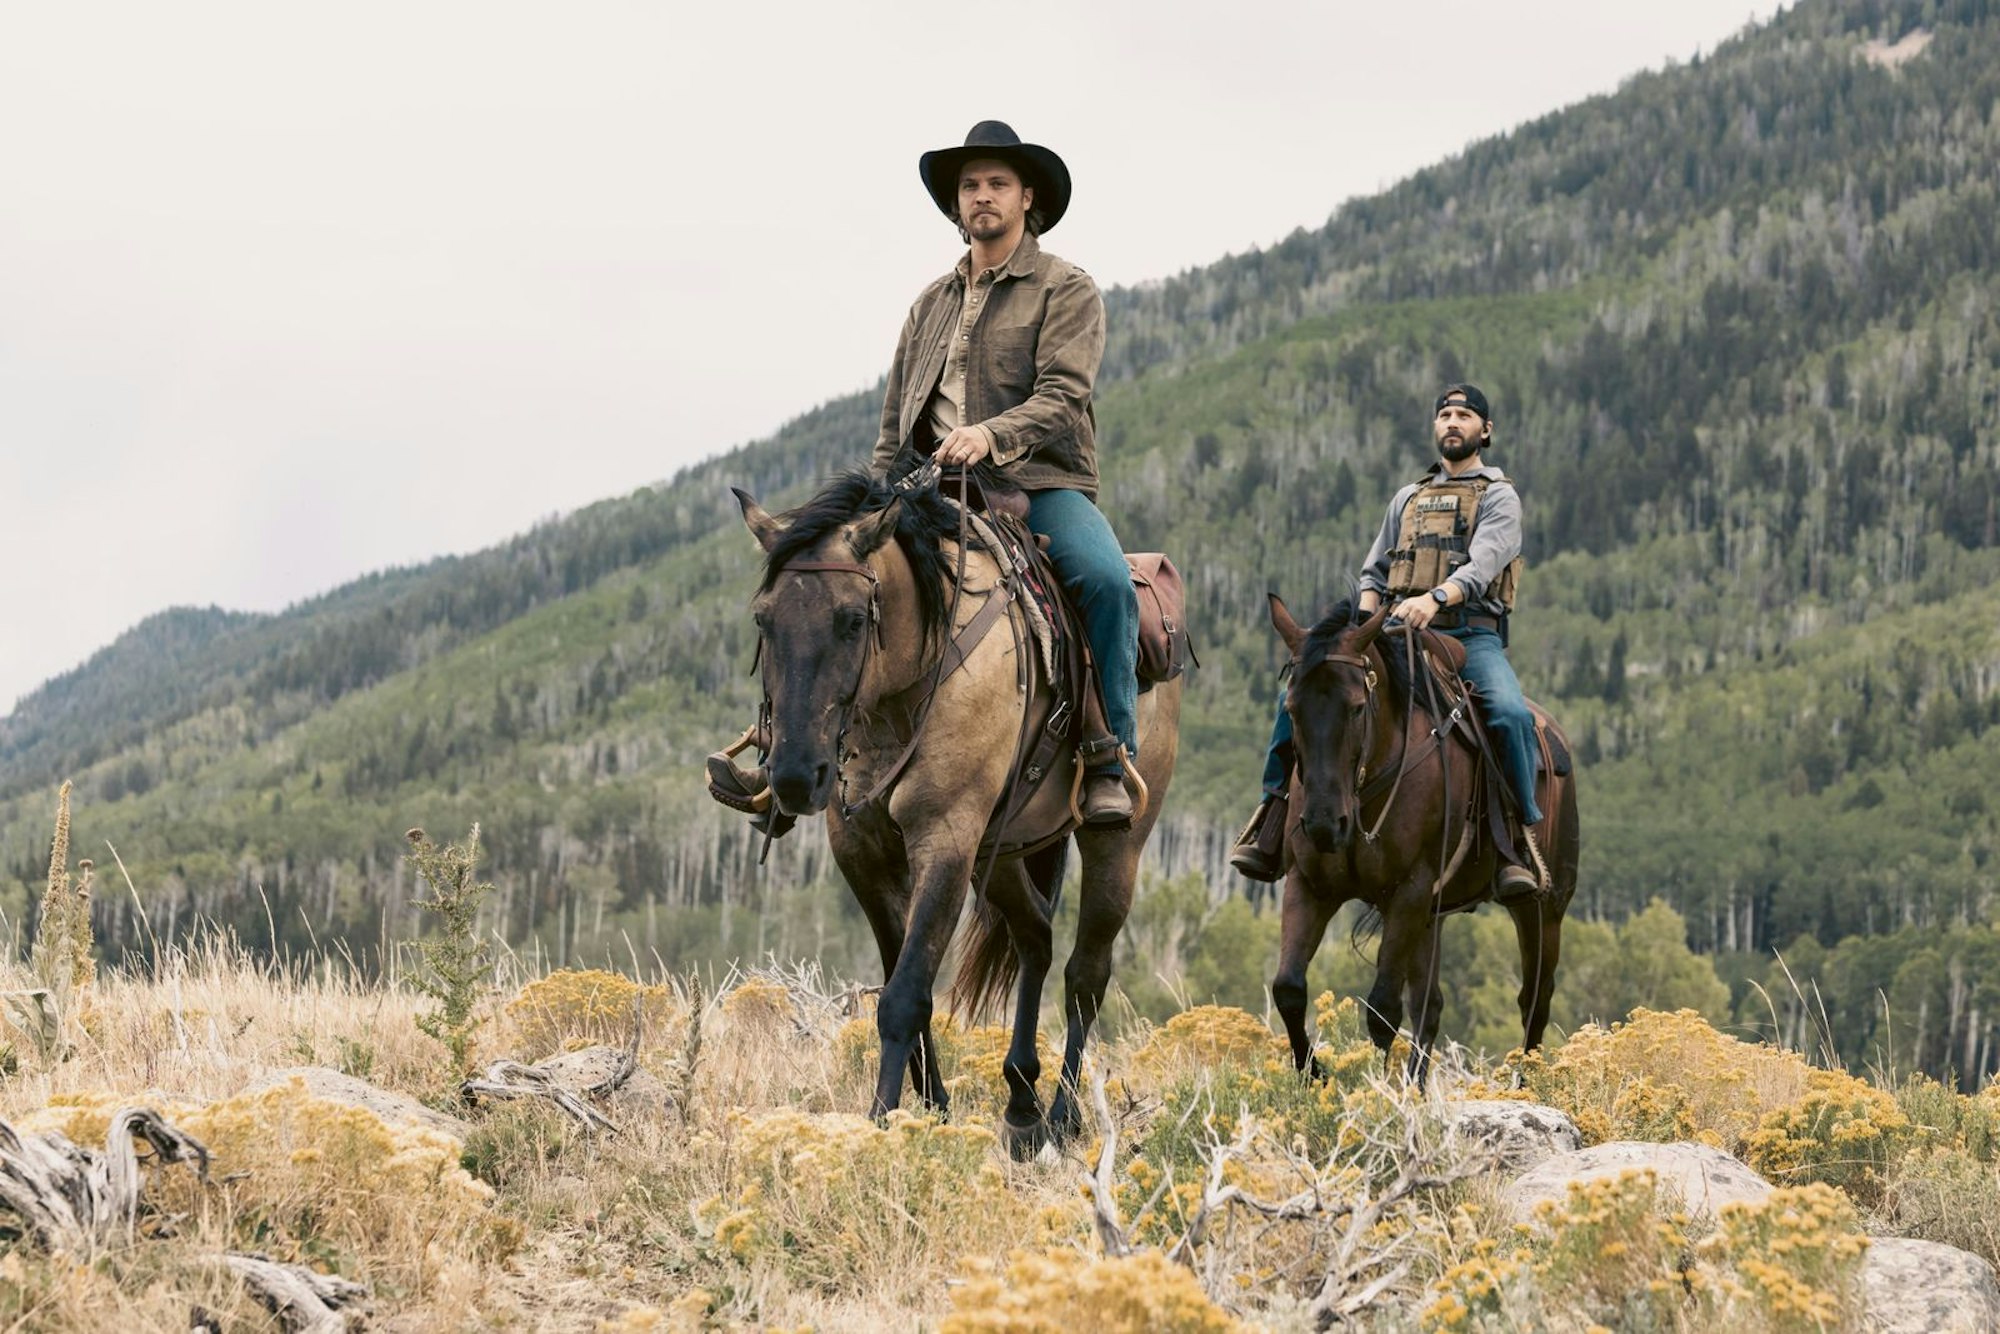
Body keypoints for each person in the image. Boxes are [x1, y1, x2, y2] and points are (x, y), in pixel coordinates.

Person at [711, 120, 1140, 827]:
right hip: (927, 492)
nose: (982, 196)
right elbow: (894, 422)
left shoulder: (1065, 289)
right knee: (815, 584)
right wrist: (873, 498)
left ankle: (1106, 752)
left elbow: (1064, 398)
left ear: (1027, 197)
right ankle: (785, 755)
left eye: (997, 183)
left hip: (1037, 487)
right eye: (970, 186)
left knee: (1106, 582)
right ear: (956, 203)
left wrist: (990, 435)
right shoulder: (928, 306)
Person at [1230, 383, 1549, 898]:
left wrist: (1438, 598)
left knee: (1509, 713)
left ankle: (1516, 839)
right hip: (1394, 632)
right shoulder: (1408, 498)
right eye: (1444, 414)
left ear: (1484, 431)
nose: (1452, 421)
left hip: (1468, 632)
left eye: (1464, 415)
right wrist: (1359, 624)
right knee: (1303, 695)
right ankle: (1272, 816)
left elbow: (1486, 559)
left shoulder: (1499, 497)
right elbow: (1376, 568)